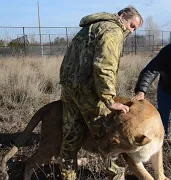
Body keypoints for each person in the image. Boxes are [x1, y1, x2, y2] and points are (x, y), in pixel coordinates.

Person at [58, 6, 143, 180]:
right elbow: (104, 66)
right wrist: (109, 99)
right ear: (122, 16)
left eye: (135, 28)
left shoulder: (92, 27)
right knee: (107, 136)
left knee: (71, 137)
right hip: (88, 93)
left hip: (69, 89)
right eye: (132, 25)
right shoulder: (112, 30)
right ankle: (116, 175)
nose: (132, 31)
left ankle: (68, 175)